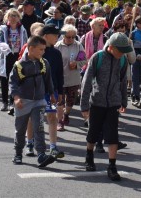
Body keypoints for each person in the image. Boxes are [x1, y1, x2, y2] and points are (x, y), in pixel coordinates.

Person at [79, 32, 131, 181]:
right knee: (93, 132)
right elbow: (87, 81)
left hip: (113, 103)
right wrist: (84, 106)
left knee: (112, 135)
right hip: (97, 101)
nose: (122, 54)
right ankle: (89, 155)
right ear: (111, 47)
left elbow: (122, 82)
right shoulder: (98, 57)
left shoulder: (122, 60)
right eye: (120, 51)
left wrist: (124, 101)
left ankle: (112, 166)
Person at [9, 35, 56, 169]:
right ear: (30, 49)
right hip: (23, 102)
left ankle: (41, 154)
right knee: (20, 130)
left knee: (39, 128)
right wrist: (16, 98)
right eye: (40, 49)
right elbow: (13, 83)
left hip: (39, 101)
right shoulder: (19, 65)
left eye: (44, 49)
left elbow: (48, 80)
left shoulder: (44, 63)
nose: (43, 52)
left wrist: (52, 93)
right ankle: (18, 153)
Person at [55, 25, 87, 131]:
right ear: (64, 36)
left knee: (71, 100)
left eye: (73, 37)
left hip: (73, 78)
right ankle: (59, 121)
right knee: (60, 101)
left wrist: (77, 64)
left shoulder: (78, 46)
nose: (71, 39)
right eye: (69, 37)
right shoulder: (57, 46)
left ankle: (66, 114)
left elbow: (84, 60)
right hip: (60, 78)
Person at [41, 24, 65, 159]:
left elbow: (59, 74)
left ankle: (53, 146)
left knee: (52, 117)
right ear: (45, 36)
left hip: (52, 91)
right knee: (35, 118)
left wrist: (60, 92)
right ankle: (31, 143)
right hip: (36, 91)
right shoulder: (35, 50)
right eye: (55, 34)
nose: (57, 37)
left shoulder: (56, 53)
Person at [0, 9, 28, 113]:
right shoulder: (4, 29)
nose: (13, 17)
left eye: (15, 15)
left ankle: (12, 102)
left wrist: (23, 55)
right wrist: (8, 51)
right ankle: (5, 102)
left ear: (19, 17)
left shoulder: (22, 29)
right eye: (11, 16)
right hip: (7, 56)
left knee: (15, 80)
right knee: (5, 79)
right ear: (7, 17)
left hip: (17, 56)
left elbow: (26, 43)